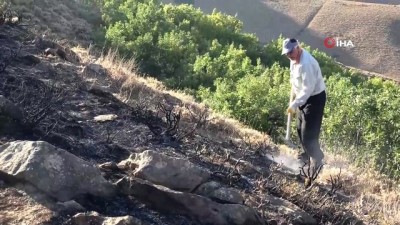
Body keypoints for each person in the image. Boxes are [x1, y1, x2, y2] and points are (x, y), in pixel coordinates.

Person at [282, 38, 326, 168]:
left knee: (308, 135)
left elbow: (308, 88)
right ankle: (305, 157)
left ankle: (317, 161)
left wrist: (295, 104)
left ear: (297, 48)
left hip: (314, 99)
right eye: (286, 53)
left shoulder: (307, 64)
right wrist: (296, 98)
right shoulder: (293, 60)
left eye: (290, 52)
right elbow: (294, 79)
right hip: (302, 98)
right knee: (299, 129)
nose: (288, 55)